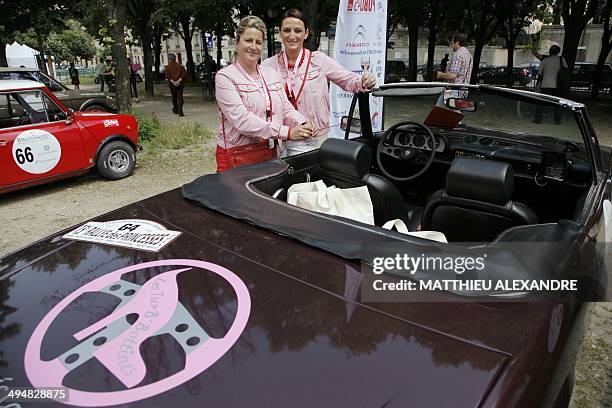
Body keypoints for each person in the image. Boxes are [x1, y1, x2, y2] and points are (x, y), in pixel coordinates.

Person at [261, 9, 376, 156]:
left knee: (307, 178)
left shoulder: (318, 60)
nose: (292, 36)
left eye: (297, 31)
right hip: (278, 139)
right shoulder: (267, 65)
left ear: (306, 33)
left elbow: (347, 79)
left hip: (311, 138)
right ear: (280, 33)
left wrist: (364, 81)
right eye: (287, 30)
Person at [215, 16, 315, 172]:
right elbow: (241, 120)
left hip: (270, 151)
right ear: (237, 42)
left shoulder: (270, 73)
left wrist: (301, 123)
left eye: (258, 42)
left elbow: (285, 107)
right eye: (248, 40)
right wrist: (286, 133)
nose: (253, 47)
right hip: (238, 154)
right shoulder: (225, 77)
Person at [534, 45, 567, 124]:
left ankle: (538, 119)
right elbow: (565, 69)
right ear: (558, 52)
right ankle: (557, 120)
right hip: (557, 85)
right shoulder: (561, 59)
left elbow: (539, 72)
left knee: (541, 103)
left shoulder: (545, 60)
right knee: (557, 103)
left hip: (546, 84)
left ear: (550, 51)